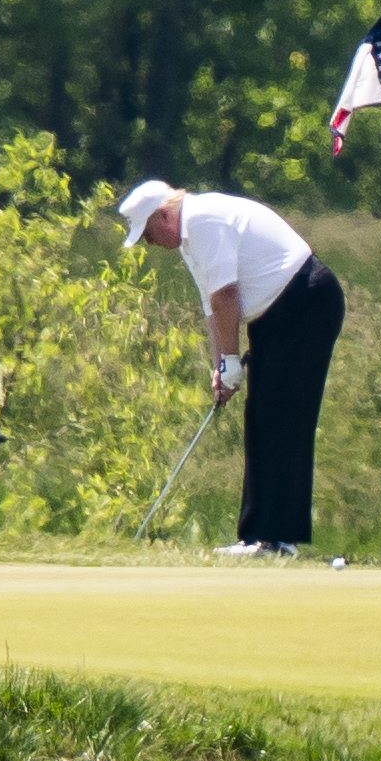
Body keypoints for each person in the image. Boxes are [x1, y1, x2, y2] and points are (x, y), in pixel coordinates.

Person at [119, 180, 345, 557]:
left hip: (305, 302)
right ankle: (261, 537)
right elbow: (213, 308)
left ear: (163, 215)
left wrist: (230, 359)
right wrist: (221, 367)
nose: (148, 242)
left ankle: (275, 539)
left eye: (148, 232)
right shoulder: (189, 238)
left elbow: (227, 296)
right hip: (277, 314)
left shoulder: (205, 220)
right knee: (261, 418)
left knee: (282, 417)